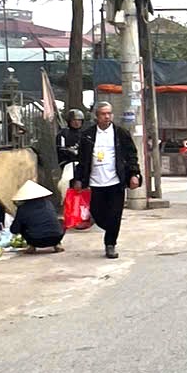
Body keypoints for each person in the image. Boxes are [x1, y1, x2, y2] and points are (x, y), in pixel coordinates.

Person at [73, 100, 142, 258]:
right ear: (96, 116)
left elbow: (131, 156)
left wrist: (134, 174)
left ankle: (110, 244)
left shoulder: (121, 133)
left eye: (109, 113)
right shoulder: (88, 135)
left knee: (115, 214)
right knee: (97, 213)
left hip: (115, 181)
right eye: (103, 114)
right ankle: (109, 228)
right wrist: (78, 178)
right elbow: (82, 159)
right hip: (96, 182)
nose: (107, 116)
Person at [8, 178, 65, 253]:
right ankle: (57, 244)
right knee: (58, 222)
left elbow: (14, 229)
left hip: (37, 240)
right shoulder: (48, 203)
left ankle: (32, 246)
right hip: (57, 237)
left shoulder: (23, 208)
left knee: (22, 225)